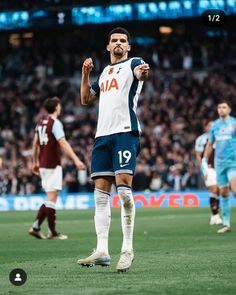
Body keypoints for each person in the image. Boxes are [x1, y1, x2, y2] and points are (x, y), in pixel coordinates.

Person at [77, 27, 149, 272]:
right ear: (108, 46)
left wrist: (143, 72)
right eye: (114, 40)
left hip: (125, 133)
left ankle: (127, 250)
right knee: (100, 195)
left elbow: (142, 73)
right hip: (102, 136)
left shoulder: (134, 63)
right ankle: (102, 250)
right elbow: (86, 100)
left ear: (128, 46)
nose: (118, 43)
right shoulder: (106, 72)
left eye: (123, 41)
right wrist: (85, 74)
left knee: (125, 192)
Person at [28, 96, 85, 240]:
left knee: (49, 197)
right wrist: (76, 160)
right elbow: (63, 143)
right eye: (59, 105)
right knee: (52, 199)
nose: (61, 108)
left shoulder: (40, 122)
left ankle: (35, 227)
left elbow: (35, 143)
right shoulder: (55, 123)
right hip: (53, 164)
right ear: (56, 107)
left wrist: (35, 162)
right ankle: (52, 232)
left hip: (43, 164)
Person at [202, 100, 236, 233]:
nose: (221, 109)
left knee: (235, 190)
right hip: (219, 164)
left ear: (229, 110)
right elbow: (210, 144)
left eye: (224, 107)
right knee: (224, 192)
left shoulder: (233, 123)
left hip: (233, 163)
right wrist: (204, 160)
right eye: (219, 107)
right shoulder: (215, 125)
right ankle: (226, 224)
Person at [195, 121, 222, 225]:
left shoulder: (221, 137)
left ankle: (214, 214)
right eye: (210, 126)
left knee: (218, 190)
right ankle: (216, 215)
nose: (212, 127)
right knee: (214, 188)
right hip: (209, 167)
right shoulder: (201, 139)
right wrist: (203, 169)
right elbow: (198, 155)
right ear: (205, 128)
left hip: (220, 167)